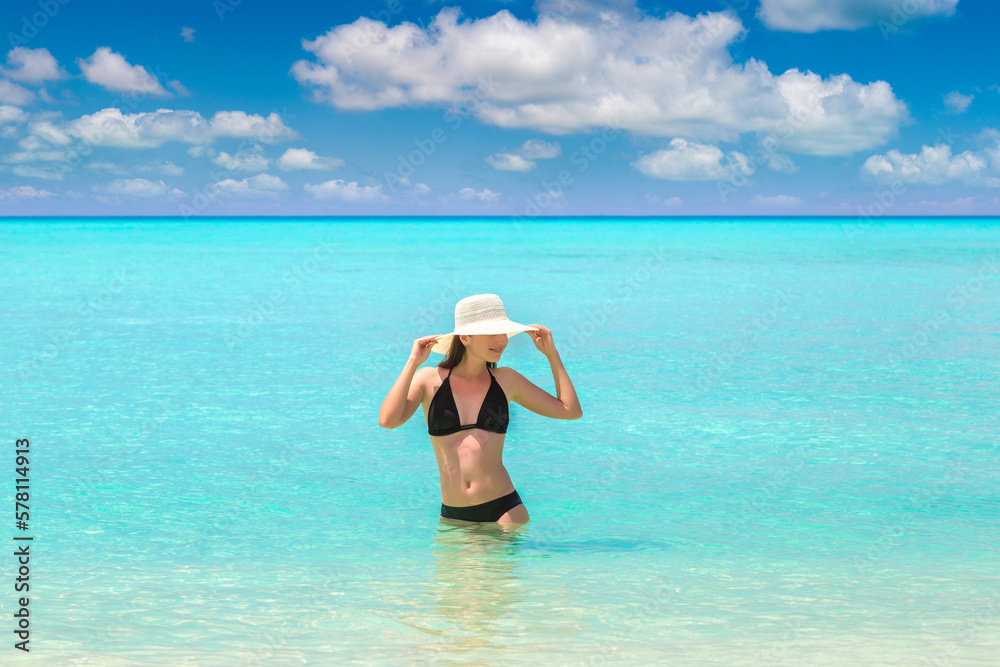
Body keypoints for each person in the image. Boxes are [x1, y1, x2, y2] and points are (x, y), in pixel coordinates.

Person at [378, 294, 583, 525]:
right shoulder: (428, 379)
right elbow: (388, 420)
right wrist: (412, 363)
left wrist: (551, 355)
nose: (502, 340)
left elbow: (570, 410)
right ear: (465, 337)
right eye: (491, 334)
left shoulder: (507, 380)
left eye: (503, 333)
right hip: (453, 516)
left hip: (504, 511)